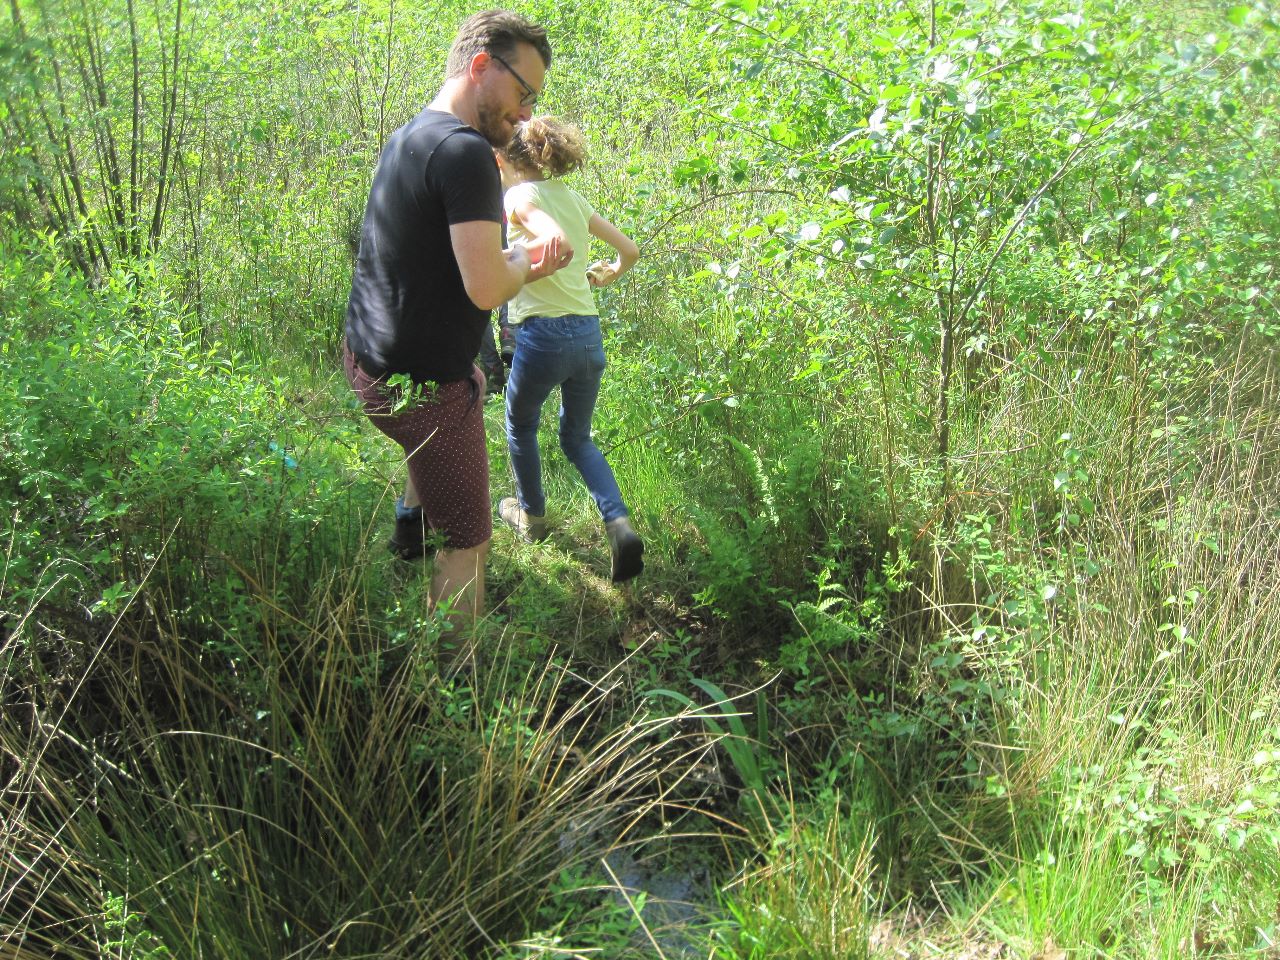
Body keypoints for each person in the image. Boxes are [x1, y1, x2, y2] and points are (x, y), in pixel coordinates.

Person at [343, 9, 572, 623]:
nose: (526, 113)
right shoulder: (467, 153)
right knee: (469, 542)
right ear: (479, 66)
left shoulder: (413, 134)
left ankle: (407, 532)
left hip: (366, 361)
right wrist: (530, 259)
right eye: (522, 93)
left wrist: (504, 260)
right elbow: (488, 288)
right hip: (421, 389)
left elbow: (432, 255)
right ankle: (453, 693)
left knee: (473, 379)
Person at [495, 117, 644, 582]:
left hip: (543, 336)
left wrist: (510, 264)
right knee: (577, 437)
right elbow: (630, 250)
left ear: (506, 159)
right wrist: (611, 271)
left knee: (520, 422)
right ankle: (618, 523)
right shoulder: (574, 199)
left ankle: (532, 517)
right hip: (587, 335)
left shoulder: (519, 196)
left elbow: (551, 239)